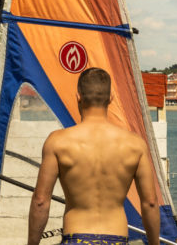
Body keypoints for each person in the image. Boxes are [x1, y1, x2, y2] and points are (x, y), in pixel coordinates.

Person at [27, 68, 160, 245]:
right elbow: (150, 203)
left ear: (78, 96)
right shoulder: (135, 145)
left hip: (76, 237)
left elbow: (41, 202)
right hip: (117, 237)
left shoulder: (58, 142)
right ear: (111, 97)